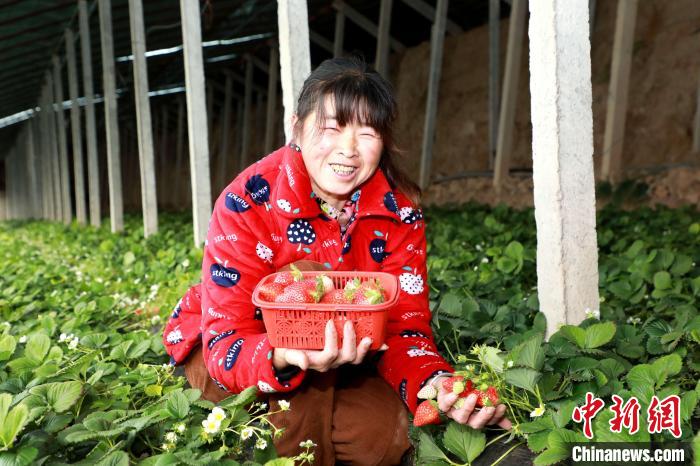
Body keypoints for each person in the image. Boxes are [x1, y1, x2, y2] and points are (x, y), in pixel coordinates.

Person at [162, 56, 511, 465]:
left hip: (342, 365)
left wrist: (437, 384)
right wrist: (287, 352)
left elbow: (403, 329)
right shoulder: (247, 201)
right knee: (312, 282)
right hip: (245, 353)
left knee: (381, 441)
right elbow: (225, 340)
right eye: (331, 128)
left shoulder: (400, 215)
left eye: (367, 132)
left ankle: (283, 432)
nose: (348, 149)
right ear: (297, 125)